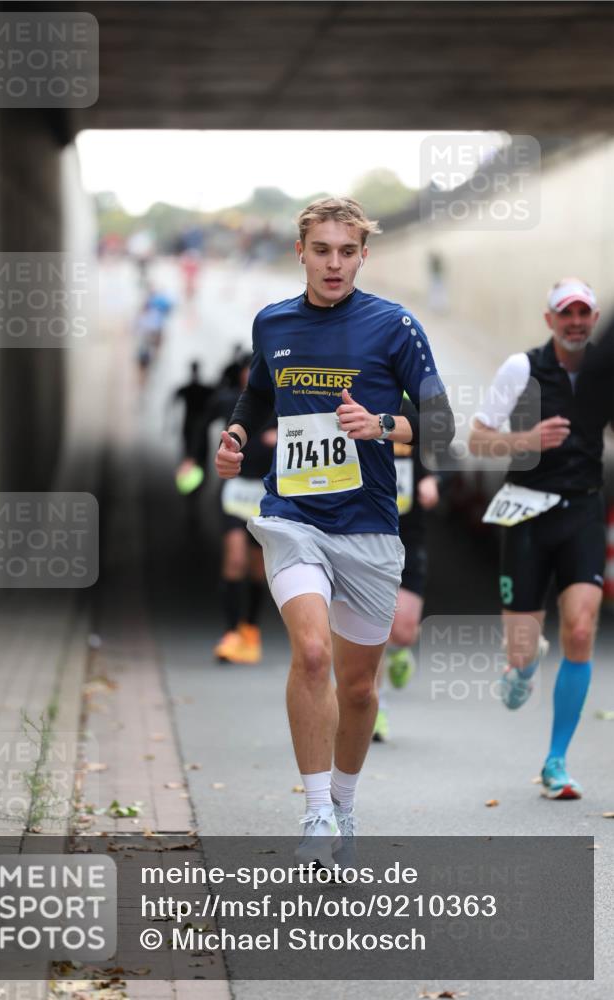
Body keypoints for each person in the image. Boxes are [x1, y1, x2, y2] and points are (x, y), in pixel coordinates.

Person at [215, 197, 454, 863]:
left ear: (362, 256)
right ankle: (316, 810)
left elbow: (439, 424)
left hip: (369, 529)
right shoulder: (273, 322)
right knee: (312, 655)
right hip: (293, 518)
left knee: (356, 687)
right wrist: (236, 432)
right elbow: (258, 391)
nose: (333, 263)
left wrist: (381, 425)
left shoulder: (393, 326)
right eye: (321, 250)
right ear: (301, 252)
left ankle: (344, 805)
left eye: (346, 251)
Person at [469, 278, 607, 800]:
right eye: (565, 313)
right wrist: (526, 440)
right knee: (524, 653)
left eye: (584, 313)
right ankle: (522, 666)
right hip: (527, 513)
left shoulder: (602, 372)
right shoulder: (521, 369)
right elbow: (478, 438)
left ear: (593, 320)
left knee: (579, 628)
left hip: (583, 511)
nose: (575, 322)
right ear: (549, 320)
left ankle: (556, 762)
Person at [183, 356, 276, 664]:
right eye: (250, 369)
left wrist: (285, 438)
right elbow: (200, 424)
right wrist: (193, 459)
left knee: (256, 568)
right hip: (235, 492)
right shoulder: (229, 401)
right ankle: (230, 631)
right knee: (234, 558)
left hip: (265, 494)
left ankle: (250, 629)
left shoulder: (283, 401)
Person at [372, 397, 449, 742]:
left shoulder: (411, 410)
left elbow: (446, 454)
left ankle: (401, 651)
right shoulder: (353, 400)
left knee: (402, 630)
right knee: (372, 627)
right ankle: (375, 709)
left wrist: (435, 480)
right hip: (366, 529)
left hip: (409, 532)